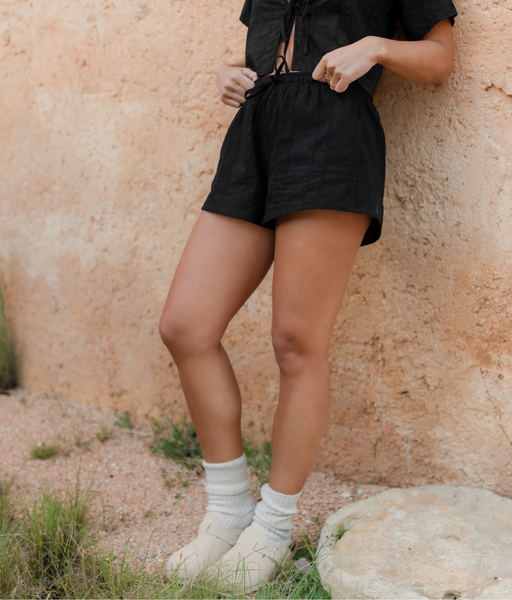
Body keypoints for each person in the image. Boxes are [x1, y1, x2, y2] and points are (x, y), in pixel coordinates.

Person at [160, 0, 458, 593]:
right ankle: (228, 512)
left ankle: (272, 528)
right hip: (255, 130)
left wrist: (375, 47)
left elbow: (440, 57)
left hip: (333, 131)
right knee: (186, 326)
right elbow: (276, 40)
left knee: (297, 342)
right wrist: (229, 71)